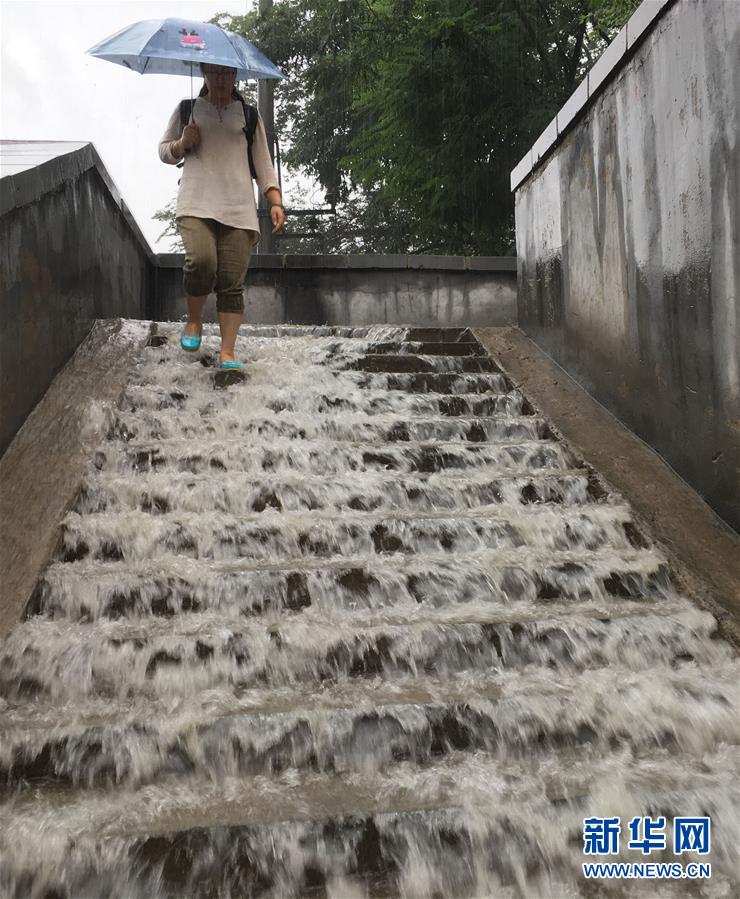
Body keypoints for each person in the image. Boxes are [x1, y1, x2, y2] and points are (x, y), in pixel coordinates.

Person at [158, 63, 286, 370]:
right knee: (201, 261)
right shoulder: (188, 108)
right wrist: (182, 143)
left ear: (236, 77)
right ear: (203, 73)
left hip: (238, 209)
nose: (220, 79)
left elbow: (263, 164)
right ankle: (194, 322)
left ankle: (227, 352)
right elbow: (164, 152)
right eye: (214, 73)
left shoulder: (248, 115)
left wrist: (275, 200)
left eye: (227, 74)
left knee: (231, 281)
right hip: (196, 203)